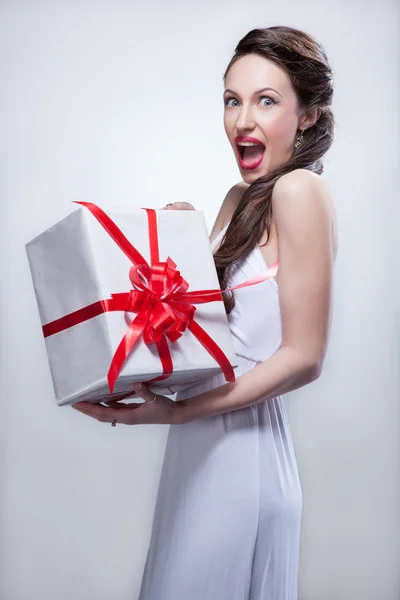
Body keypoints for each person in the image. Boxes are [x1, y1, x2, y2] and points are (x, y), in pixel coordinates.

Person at [73, 25, 337, 600]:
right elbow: (216, 335)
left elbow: (304, 356)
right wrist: (181, 248)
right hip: (196, 453)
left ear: (308, 115)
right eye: (232, 99)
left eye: (267, 100)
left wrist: (178, 413)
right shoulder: (239, 200)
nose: (242, 120)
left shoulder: (300, 192)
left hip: (243, 456)